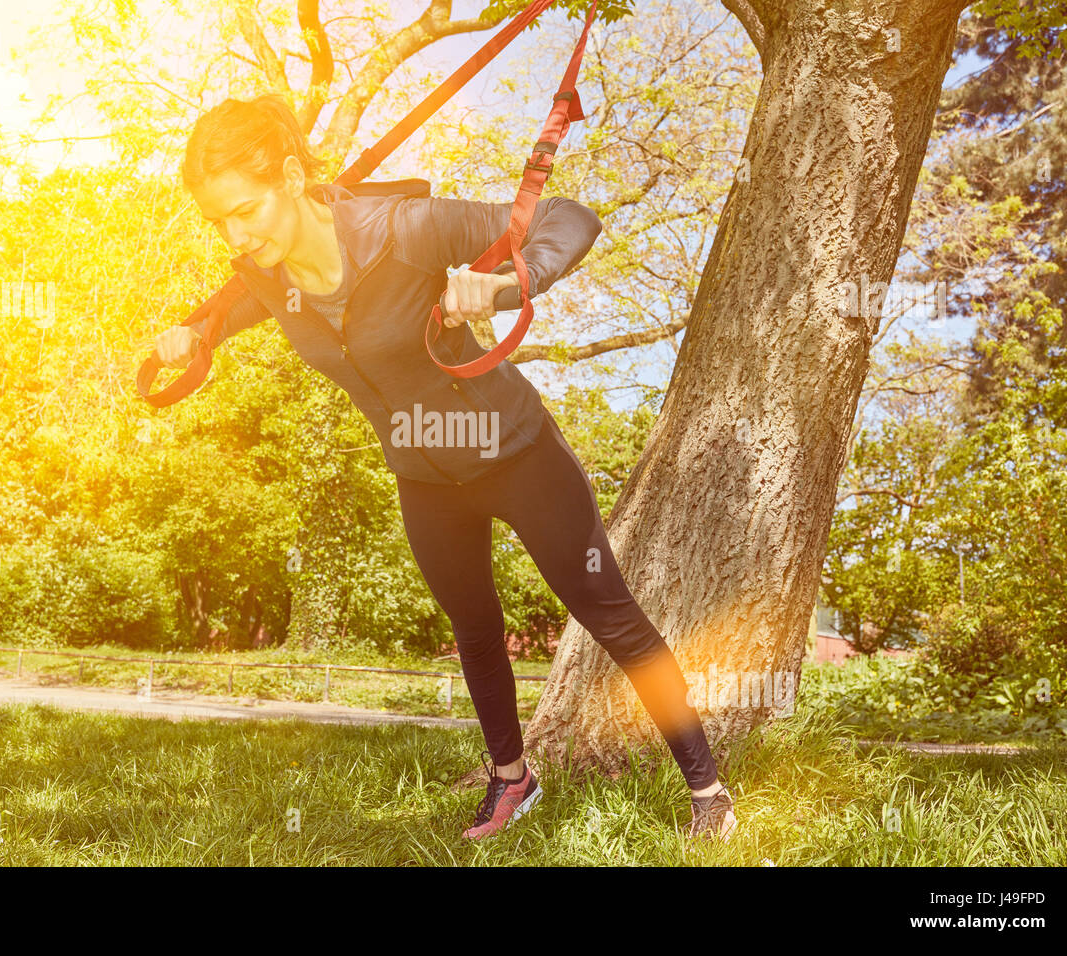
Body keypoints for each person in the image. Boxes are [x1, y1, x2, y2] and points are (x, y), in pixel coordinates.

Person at [154, 93, 737, 842]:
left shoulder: (405, 229)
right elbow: (227, 313)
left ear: (293, 179)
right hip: (424, 478)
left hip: (518, 452)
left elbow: (569, 217)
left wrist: (505, 284)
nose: (236, 237)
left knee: (609, 615)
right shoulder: (267, 272)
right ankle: (511, 781)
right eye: (220, 222)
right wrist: (192, 335)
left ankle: (709, 794)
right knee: (474, 630)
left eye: (245, 212)